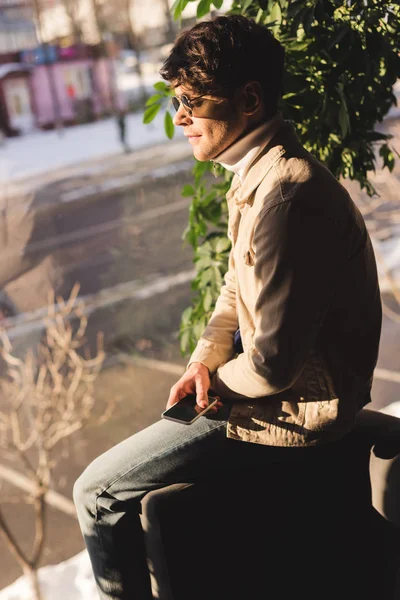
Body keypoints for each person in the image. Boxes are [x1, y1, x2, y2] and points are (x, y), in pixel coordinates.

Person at [73, 14, 382, 600]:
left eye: (191, 100)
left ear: (249, 99)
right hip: (277, 392)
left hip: (299, 411)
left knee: (96, 491)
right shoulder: (259, 174)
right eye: (175, 100)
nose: (180, 117)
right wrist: (202, 360)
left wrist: (217, 379)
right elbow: (236, 286)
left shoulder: (287, 195)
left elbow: (270, 366)